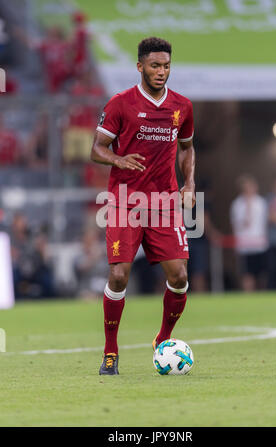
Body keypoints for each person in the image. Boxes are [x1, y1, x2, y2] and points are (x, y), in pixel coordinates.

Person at [91, 37, 195, 375]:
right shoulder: (121, 103)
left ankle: (162, 339)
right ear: (140, 67)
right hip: (125, 200)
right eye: (154, 66)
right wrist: (119, 160)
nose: (161, 72)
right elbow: (97, 149)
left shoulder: (182, 106)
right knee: (119, 276)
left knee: (179, 276)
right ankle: (110, 352)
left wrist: (189, 183)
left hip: (164, 201)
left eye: (166, 66)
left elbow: (187, 148)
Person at [230, 175, 268, 291]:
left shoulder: (261, 202)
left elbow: (265, 222)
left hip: (260, 244)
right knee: (247, 274)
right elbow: (238, 225)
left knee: (262, 274)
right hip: (245, 245)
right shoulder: (237, 204)